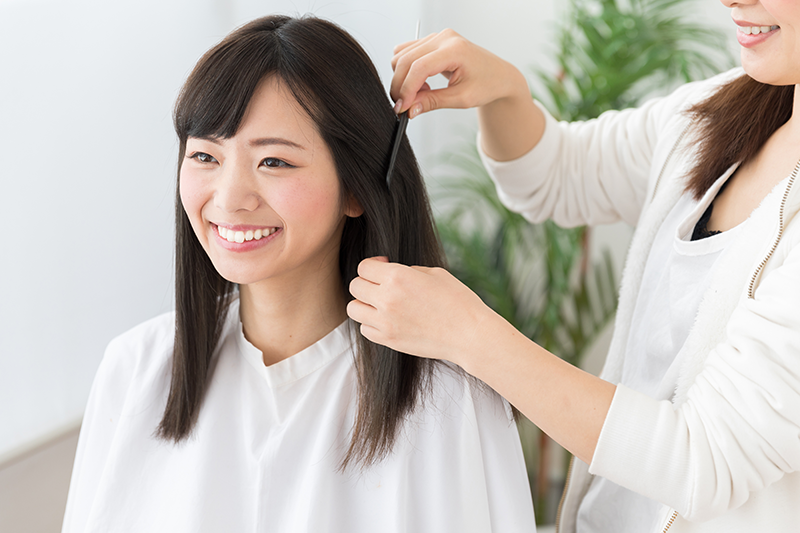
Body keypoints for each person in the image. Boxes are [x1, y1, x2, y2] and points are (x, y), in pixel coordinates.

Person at [61, 15, 536, 533]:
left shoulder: (450, 400)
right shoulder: (134, 370)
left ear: (355, 189)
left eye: (274, 162)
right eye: (204, 156)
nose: (229, 198)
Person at [347, 1, 800, 532]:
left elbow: (707, 459)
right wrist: (505, 92)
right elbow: (555, 176)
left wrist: (467, 334)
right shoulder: (717, 111)